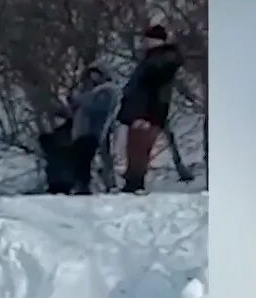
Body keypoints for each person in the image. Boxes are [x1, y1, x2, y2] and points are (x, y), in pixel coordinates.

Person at [116, 24, 185, 193]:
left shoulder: (162, 59)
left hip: (147, 112)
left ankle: (135, 183)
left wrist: (149, 114)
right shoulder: (153, 59)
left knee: (139, 147)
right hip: (140, 111)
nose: (144, 43)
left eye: (147, 39)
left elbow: (154, 86)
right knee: (133, 148)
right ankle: (132, 181)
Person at [68, 61, 122, 194]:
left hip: (94, 132)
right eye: (91, 75)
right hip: (83, 132)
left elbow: (97, 107)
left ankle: (102, 186)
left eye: (96, 74)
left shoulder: (107, 90)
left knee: (89, 161)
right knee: (81, 162)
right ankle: (82, 186)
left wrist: (79, 99)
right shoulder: (92, 91)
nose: (93, 78)